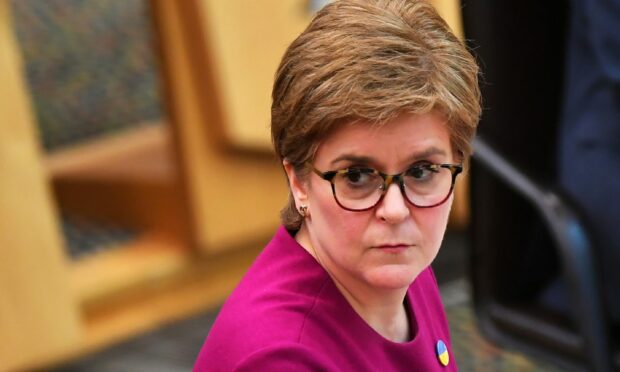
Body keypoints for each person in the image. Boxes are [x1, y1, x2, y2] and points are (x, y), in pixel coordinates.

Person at [194, 0, 480, 370]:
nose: (395, 210)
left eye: (422, 171)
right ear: (298, 181)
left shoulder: (398, 263)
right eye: (358, 176)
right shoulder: (282, 360)